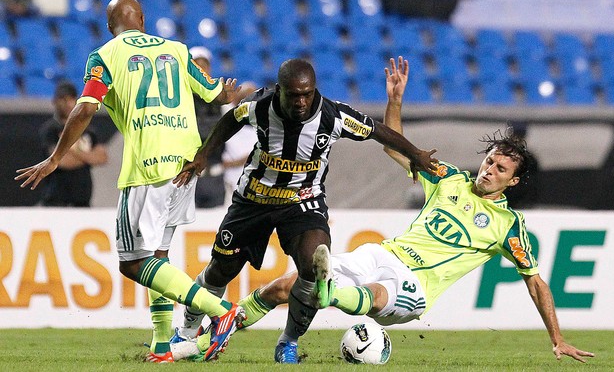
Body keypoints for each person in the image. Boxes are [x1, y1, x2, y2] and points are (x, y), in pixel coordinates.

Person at [222, 57, 595, 364]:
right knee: (287, 286)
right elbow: (395, 148)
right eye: (489, 161)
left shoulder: (508, 226)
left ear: (512, 182)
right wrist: (395, 101)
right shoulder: (449, 178)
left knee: (370, 294)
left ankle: (328, 291)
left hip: (414, 286)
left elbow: (535, 282)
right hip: (385, 253)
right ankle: (224, 323)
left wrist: (557, 337)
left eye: (500, 169)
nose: (489, 170)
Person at [15, 0, 245, 363]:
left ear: (110, 26)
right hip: (187, 164)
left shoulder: (105, 54)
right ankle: (161, 345)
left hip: (148, 166)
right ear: (143, 19)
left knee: (132, 262)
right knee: (158, 255)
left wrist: (56, 157)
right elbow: (216, 93)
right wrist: (228, 90)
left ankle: (219, 310)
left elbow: (87, 106)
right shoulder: (177, 49)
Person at [170, 56, 438, 363]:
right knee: (221, 270)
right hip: (254, 199)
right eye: (293, 94)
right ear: (279, 90)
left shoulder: (333, 116)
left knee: (312, 268)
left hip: (303, 202)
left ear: (314, 90)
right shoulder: (260, 106)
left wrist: (415, 153)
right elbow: (230, 120)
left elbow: (378, 131)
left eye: (307, 94)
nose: (300, 101)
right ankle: (188, 331)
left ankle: (289, 342)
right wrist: (204, 155)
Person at [38, 81, 108, 207]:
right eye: (62, 99)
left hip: (82, 200)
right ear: (55, 101)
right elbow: (61, 161)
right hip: (56, 200)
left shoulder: (88, 130)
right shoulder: (51, 129)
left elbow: (102, 157)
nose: (67, 104)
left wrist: (71, 149)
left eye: (71, 99)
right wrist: (88, 157)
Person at [189, 46, 226, 208]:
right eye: (197, 66)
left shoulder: (222, 98)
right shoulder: (182, 98)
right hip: (189, 176)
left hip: (216, 175)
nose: (201, 70)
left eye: (204, 66)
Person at [220, 81, 258, 206]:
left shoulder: (260, 119)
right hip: (223, 178)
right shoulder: (224, 112)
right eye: (244, 98)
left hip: (251, 178)